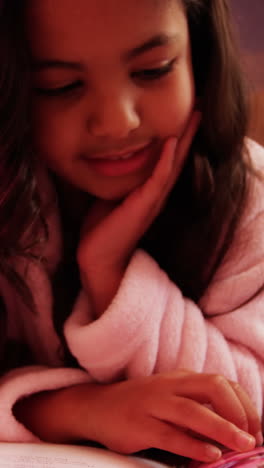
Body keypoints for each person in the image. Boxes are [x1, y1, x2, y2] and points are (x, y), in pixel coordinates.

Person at [0, 0, 263, 463]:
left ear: (198, 56)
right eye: (60, 86)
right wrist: (78, 410)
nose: (118, 121)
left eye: (153, 70)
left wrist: (112, 274)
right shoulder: (10, 200)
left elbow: (244, 415)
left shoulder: (251, 201)